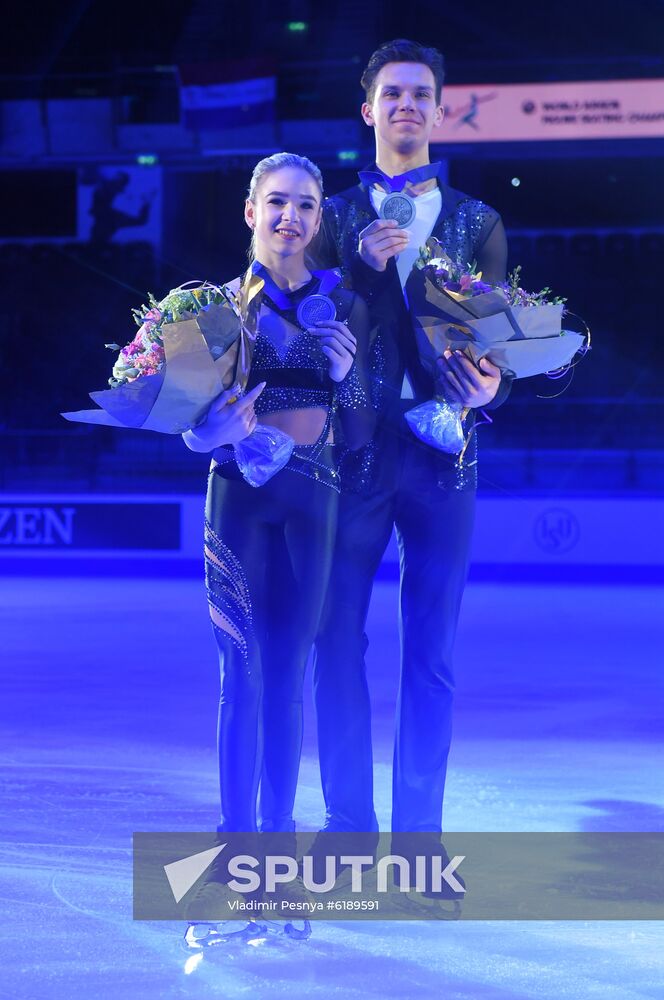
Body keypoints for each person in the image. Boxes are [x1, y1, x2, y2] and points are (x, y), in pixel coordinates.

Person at [312, 40, 511, 860]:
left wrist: (492, 391)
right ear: (369, 109)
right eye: (392, 93)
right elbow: (310, 333)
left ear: (440, 110)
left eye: (420, 93)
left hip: (443, 459)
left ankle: (419, 843)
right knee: (335, 645)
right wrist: (359, 270)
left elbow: (499, 343)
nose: (406, 105)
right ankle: (348, 830)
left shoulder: (477, 221)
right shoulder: (330, 217)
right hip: (351, 455)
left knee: (430, 656)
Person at [182, 152, 374, 851]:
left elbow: (360, 436)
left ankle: (276, 847)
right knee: (241, 671)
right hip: (236, 500)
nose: (290, 216)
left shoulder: (345, 307)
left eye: (305, 205)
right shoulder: (214, 311)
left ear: (319, 220)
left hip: (313, 506)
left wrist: (347, 376)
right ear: (251, 211)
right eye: (277, 201)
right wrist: (209, 432)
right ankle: (237, 845)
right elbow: (189, 427)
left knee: (289, 673)